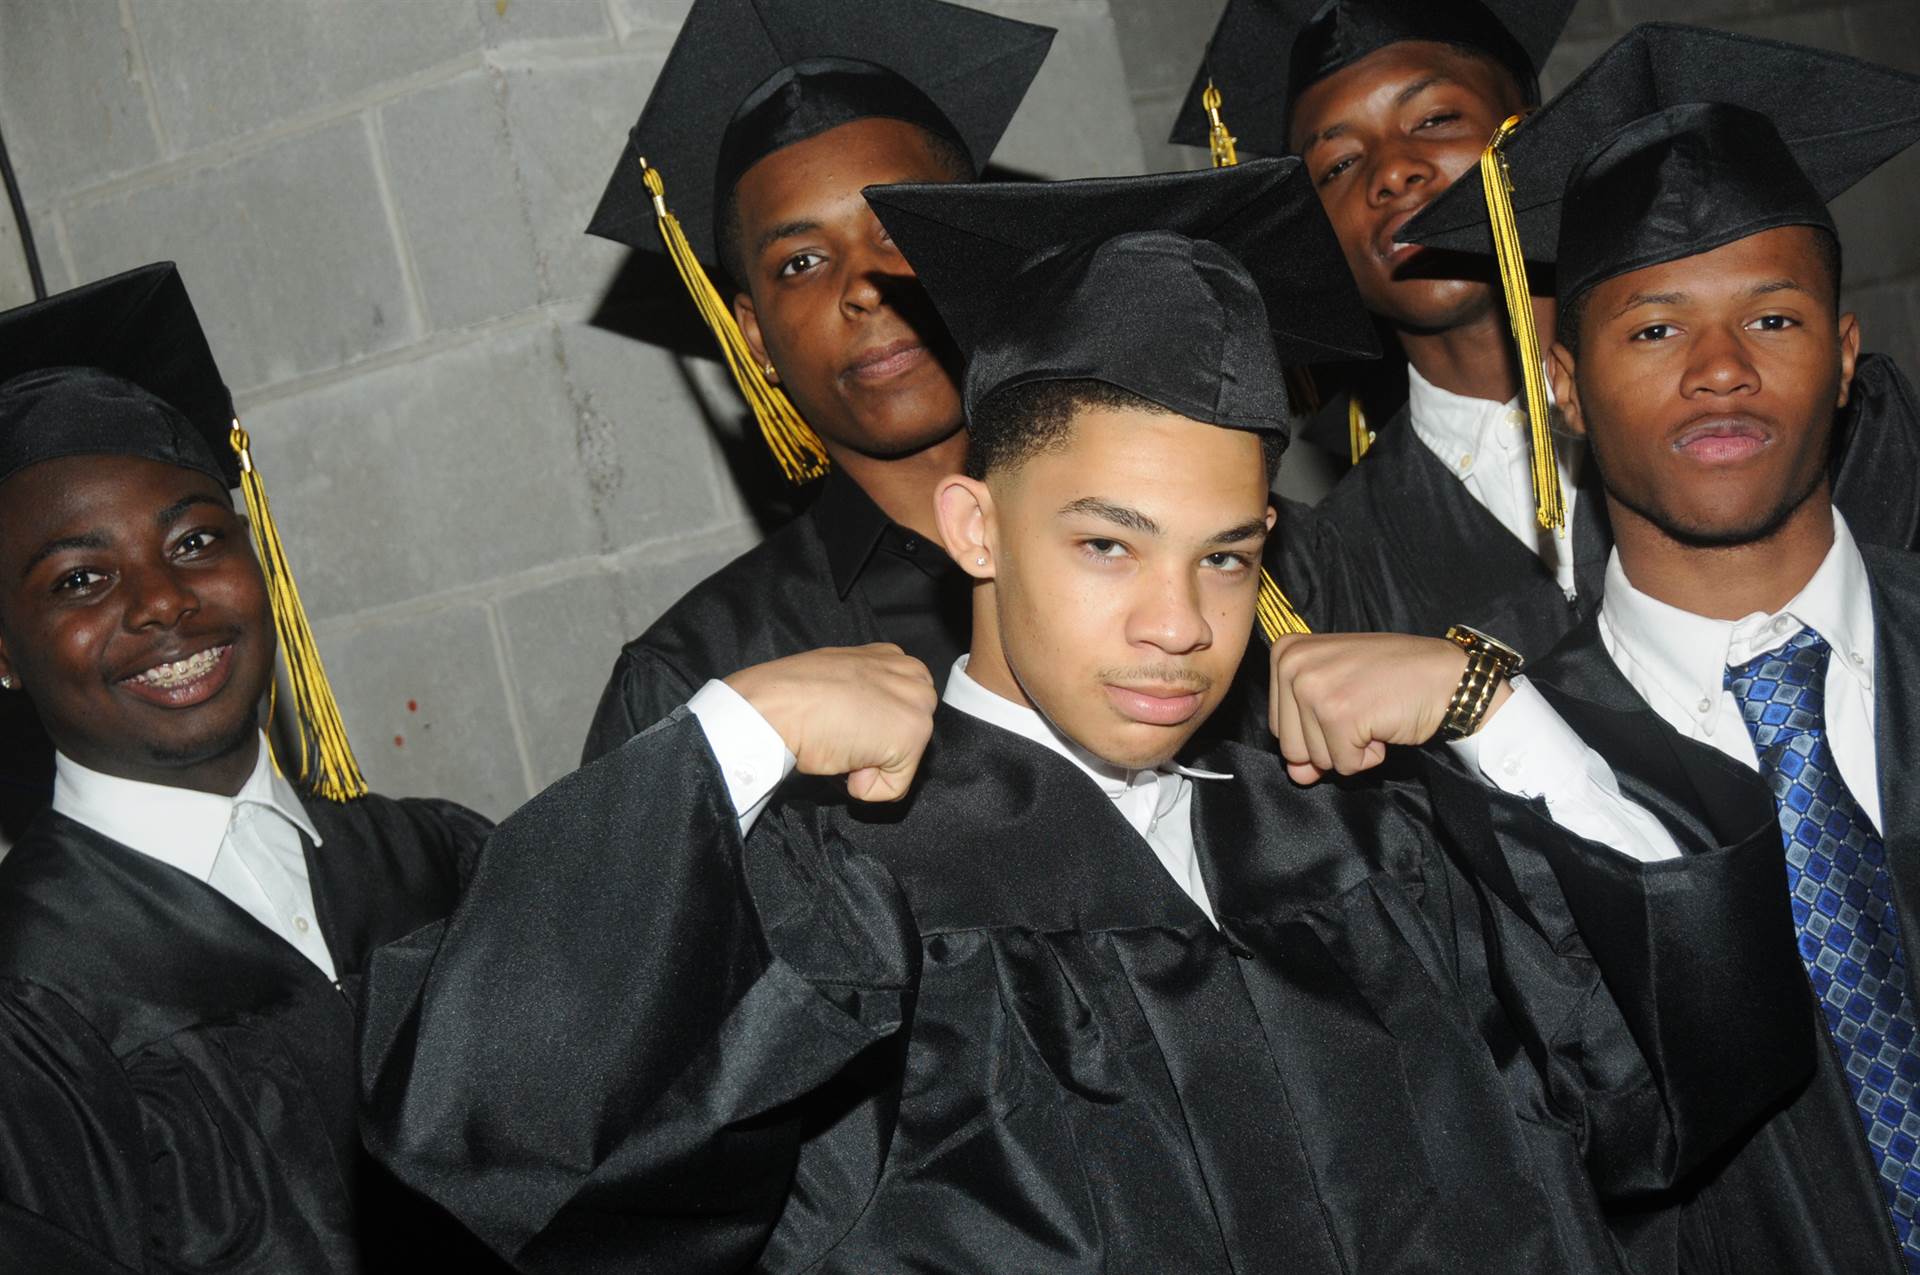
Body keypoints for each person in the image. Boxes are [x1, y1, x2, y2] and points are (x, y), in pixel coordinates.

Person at [360, 160, 1810, 1273]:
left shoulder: (1365, 840)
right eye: (1107, 544)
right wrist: (730, 736)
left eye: (1227, 553)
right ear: (974, 526)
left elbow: (1690, 1060)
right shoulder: (846, 894)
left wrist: (1495, 705)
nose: (1179, 621)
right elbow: (492, 1151)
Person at [1269, 24, 1920, 1274]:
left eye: (1774, 320)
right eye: (1654, 332)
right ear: (1562, 386)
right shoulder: (1484, 792)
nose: (1722, 371)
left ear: (1847, 360)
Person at [0, 264, 497, 1273]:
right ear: (3, 652)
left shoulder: (436, 857)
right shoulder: (28, 1006)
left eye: (195, 538)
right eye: (82, 579)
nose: (163, 600)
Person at [1175, 0, 1920, 658]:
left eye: (1435, 119)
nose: (1392, 172)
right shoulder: (1336, 565)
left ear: (1533, 136)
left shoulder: (1813, 424)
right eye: (1337, 164)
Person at [574, 0, 1053, 760]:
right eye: (800, 261)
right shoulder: (702, 679)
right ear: (753, 335)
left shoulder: (1223, 556)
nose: (863, 285)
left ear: (985, 247)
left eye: (898, 226)